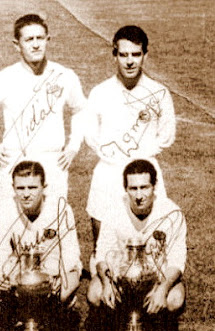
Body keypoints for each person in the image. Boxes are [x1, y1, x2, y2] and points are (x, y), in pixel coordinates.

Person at [85, 25, 175, 261]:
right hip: (108, 171)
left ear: (145, 54)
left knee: (153, 247)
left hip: (145, 172)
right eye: (123, 54)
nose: (130, 61)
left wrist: (140, 156)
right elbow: (91, 135)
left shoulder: (159, 92)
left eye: (136, 54)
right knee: (104, 251)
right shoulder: (99, 93)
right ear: (114, 54)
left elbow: (166, 135)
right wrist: (115, 156)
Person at [0, 14, 86, 204]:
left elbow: (81, 109)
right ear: (16, 44)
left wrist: (73, 147)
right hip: (14, 160)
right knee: (11, 226)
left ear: (48, 40)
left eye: (40, 38)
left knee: (53, 225)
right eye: (29, 39)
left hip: (53, 161)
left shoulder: (64, 75)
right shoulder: (3, 78)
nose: (36, 45)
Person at [87, 159, 186, 331]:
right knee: (95, 292)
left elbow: (177, 260)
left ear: (154, 186)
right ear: (125, 189)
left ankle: (156, 325)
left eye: (144, 187)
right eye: (133, 188)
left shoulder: (172, 213)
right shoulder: (113, 211)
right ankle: (119, 324)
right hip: (121, 281)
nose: (139, 195)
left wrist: (162, 289)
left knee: (175, 298)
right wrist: (107, 283)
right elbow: (102, 254)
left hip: (156, 281)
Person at [0, 161, 81, 331]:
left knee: (70, 280)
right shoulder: (4, 209)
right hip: (21, 268)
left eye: (32, 187)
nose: (26, 194)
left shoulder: (61, 208)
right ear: (13, 188)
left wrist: (54, 275)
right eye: (20, 188)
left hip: (52, 269)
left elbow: (72, 252)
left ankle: (52, 314)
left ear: (44, 187)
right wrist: (2, 273)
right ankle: (18, 313)